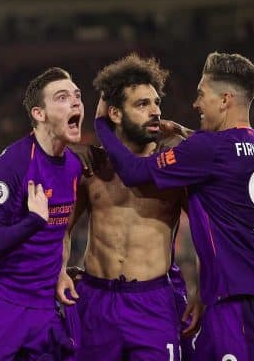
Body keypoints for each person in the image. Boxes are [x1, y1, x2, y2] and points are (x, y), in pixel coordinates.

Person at [94, 52, 254, 360]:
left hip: (239, 298)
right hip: (245, 293)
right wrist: (183, 131)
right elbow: (223, 153)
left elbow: (132, 172)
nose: (196, 104)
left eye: (201, 95)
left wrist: (100, 124)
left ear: (224, 100)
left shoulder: (207, 150)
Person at [56, 54, 201, 360]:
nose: (155, 112)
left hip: (153, 301)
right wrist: (59, 271)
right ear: (116, 114)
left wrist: (201, 291)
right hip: (95, 299)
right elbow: (62, 230)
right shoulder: (90, 166)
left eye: (156, 102)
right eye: (142, 104)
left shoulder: (173, 167)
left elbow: (207, 236)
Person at [0, 67, 84, 361]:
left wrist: (60, 271)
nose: (76, 102)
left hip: (43, 306)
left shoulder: (74, 166)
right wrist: (33, 222)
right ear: (39, 114)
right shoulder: (13, 165)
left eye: (78, 96)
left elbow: (62, 231)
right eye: (63, 97)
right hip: (1, 301)